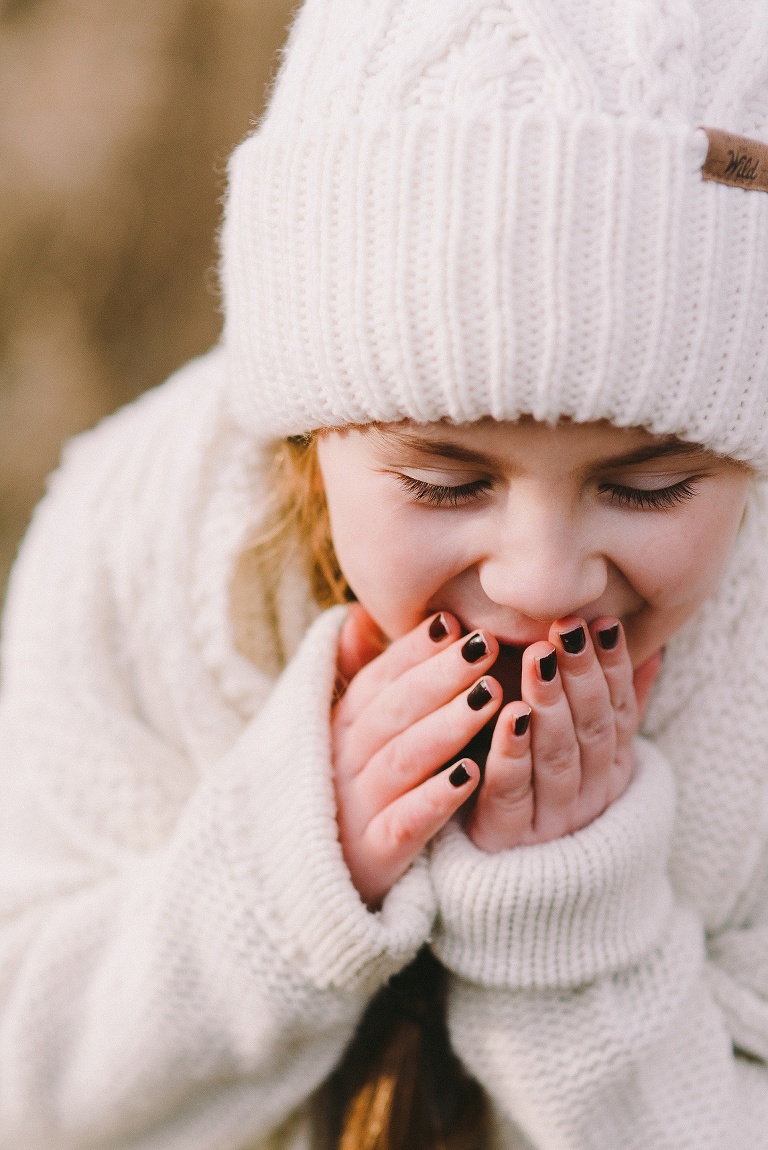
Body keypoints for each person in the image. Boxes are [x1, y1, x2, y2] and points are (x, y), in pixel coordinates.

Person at [1, 0, 768, 1146]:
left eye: (649, 485)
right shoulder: (138, 545)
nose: (545, 580)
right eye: (450, 482)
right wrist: (284, 884)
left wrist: (571, 938)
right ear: (312, 430)